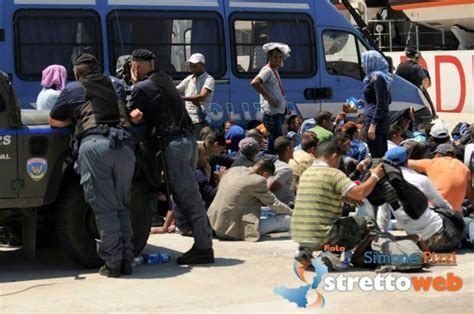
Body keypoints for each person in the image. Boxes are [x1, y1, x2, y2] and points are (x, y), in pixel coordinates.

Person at [48, 54, 135, 277]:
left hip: (96, 146)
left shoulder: (73, 89)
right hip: (125, 146)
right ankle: (127, 260)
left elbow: (54, 120)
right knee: (121, 206)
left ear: (77, 73)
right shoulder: (115, 85)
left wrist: (74, 119)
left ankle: (113, 264)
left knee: (105, 208)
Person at [128, 49, 214, 265]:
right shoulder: (164, 79)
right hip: (188, 141)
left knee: (189, 197)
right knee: (188, 195)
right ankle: (202, 244)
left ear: (135, 66)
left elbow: (134, 115)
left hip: (174, 144)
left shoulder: (141, 88)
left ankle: (204, 248)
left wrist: (132, 84)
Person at [291, 141, 385, 265]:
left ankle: (305, 251)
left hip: (299, 233)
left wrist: (344, 198)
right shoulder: (333, 173)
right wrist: (375, 176)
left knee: (329, 225)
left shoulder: (307, 173)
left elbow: (320, 195)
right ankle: (335, 253)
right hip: (322, 234)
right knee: (368, 224)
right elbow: (360, 193)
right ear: (335, 156)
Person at [379, 147, 463, 252]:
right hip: (440, 237)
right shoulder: (421, 179)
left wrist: (383, 237)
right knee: (463, 221)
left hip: (417, 243)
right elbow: (441, 204)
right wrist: (456, 216)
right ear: (406, 161)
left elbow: (383, 217)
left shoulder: (384, 186)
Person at [208, 159, 292, 241]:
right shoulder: (258, 180)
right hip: (232, 232)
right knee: (286, 219)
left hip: (214, 226)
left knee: (266, 211)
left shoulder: (233, 170)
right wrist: (293, 213)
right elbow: (274, 204)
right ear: (265, 174)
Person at [408, 143, 472, 213]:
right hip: (454, 214)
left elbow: (406, 163)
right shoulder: (465, 168)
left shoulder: (434, 162)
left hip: (435, 210)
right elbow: (470, 195)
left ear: (438, 155)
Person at [251, 43, 291, 153]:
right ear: (269, 57)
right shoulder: (267, 70)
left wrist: (285, 107)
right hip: (272, 115)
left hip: (277, 112)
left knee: (274, 143)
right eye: (275, 57)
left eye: (280, 57)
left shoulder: (274, 70)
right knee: (278, 144)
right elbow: (255, 83)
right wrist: (269, 98)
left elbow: (277, 91)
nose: (278, 59)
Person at [361, 50, 392, 158]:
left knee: (376, 157)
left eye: (364, 62)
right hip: (379, 119)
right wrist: (367, 102)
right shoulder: (381, 77)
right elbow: (387, 100)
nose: (362, 65)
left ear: (372, 62)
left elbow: (381, 103)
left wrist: (373, 125)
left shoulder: (377, 77)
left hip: (375, 122)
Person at [176, 53, 215, 138]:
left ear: (202, 65)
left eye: (195, 65)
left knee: (198, 144)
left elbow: (202, 96)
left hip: (199, 119)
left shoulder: (208, 79)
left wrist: (182, 98)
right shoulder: (189, 78)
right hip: (188, 119)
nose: (192, 67)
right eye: (190, 65)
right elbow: (177, 89)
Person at [268, 136, 295, 206]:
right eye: (293, 147)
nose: (294, 150)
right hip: (286, 207)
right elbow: (269, 188)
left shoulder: (276, 163)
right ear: (288, 149)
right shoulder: (286, 169)